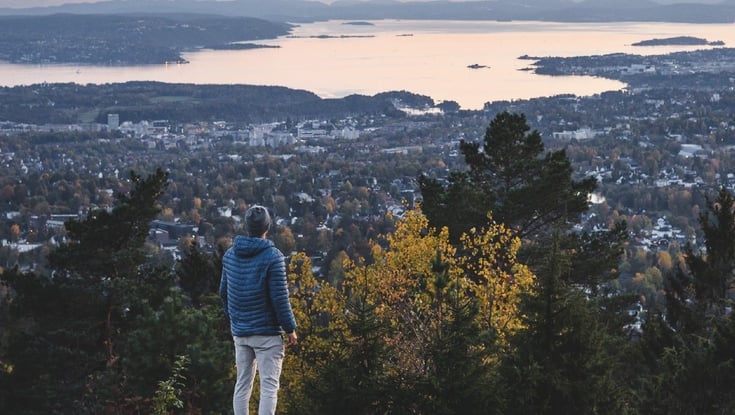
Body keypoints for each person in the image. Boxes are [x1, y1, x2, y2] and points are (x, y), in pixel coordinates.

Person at [220, 205, 298, 415]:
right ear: (267, 227)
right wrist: (290, 329)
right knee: (269, 388)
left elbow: (223, 293)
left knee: (242, 385)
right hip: (267, 334)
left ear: (247, 226)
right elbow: (280, 299)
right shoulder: (273, 257)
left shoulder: (229, 256)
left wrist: (234, 319)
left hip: (241, 332)